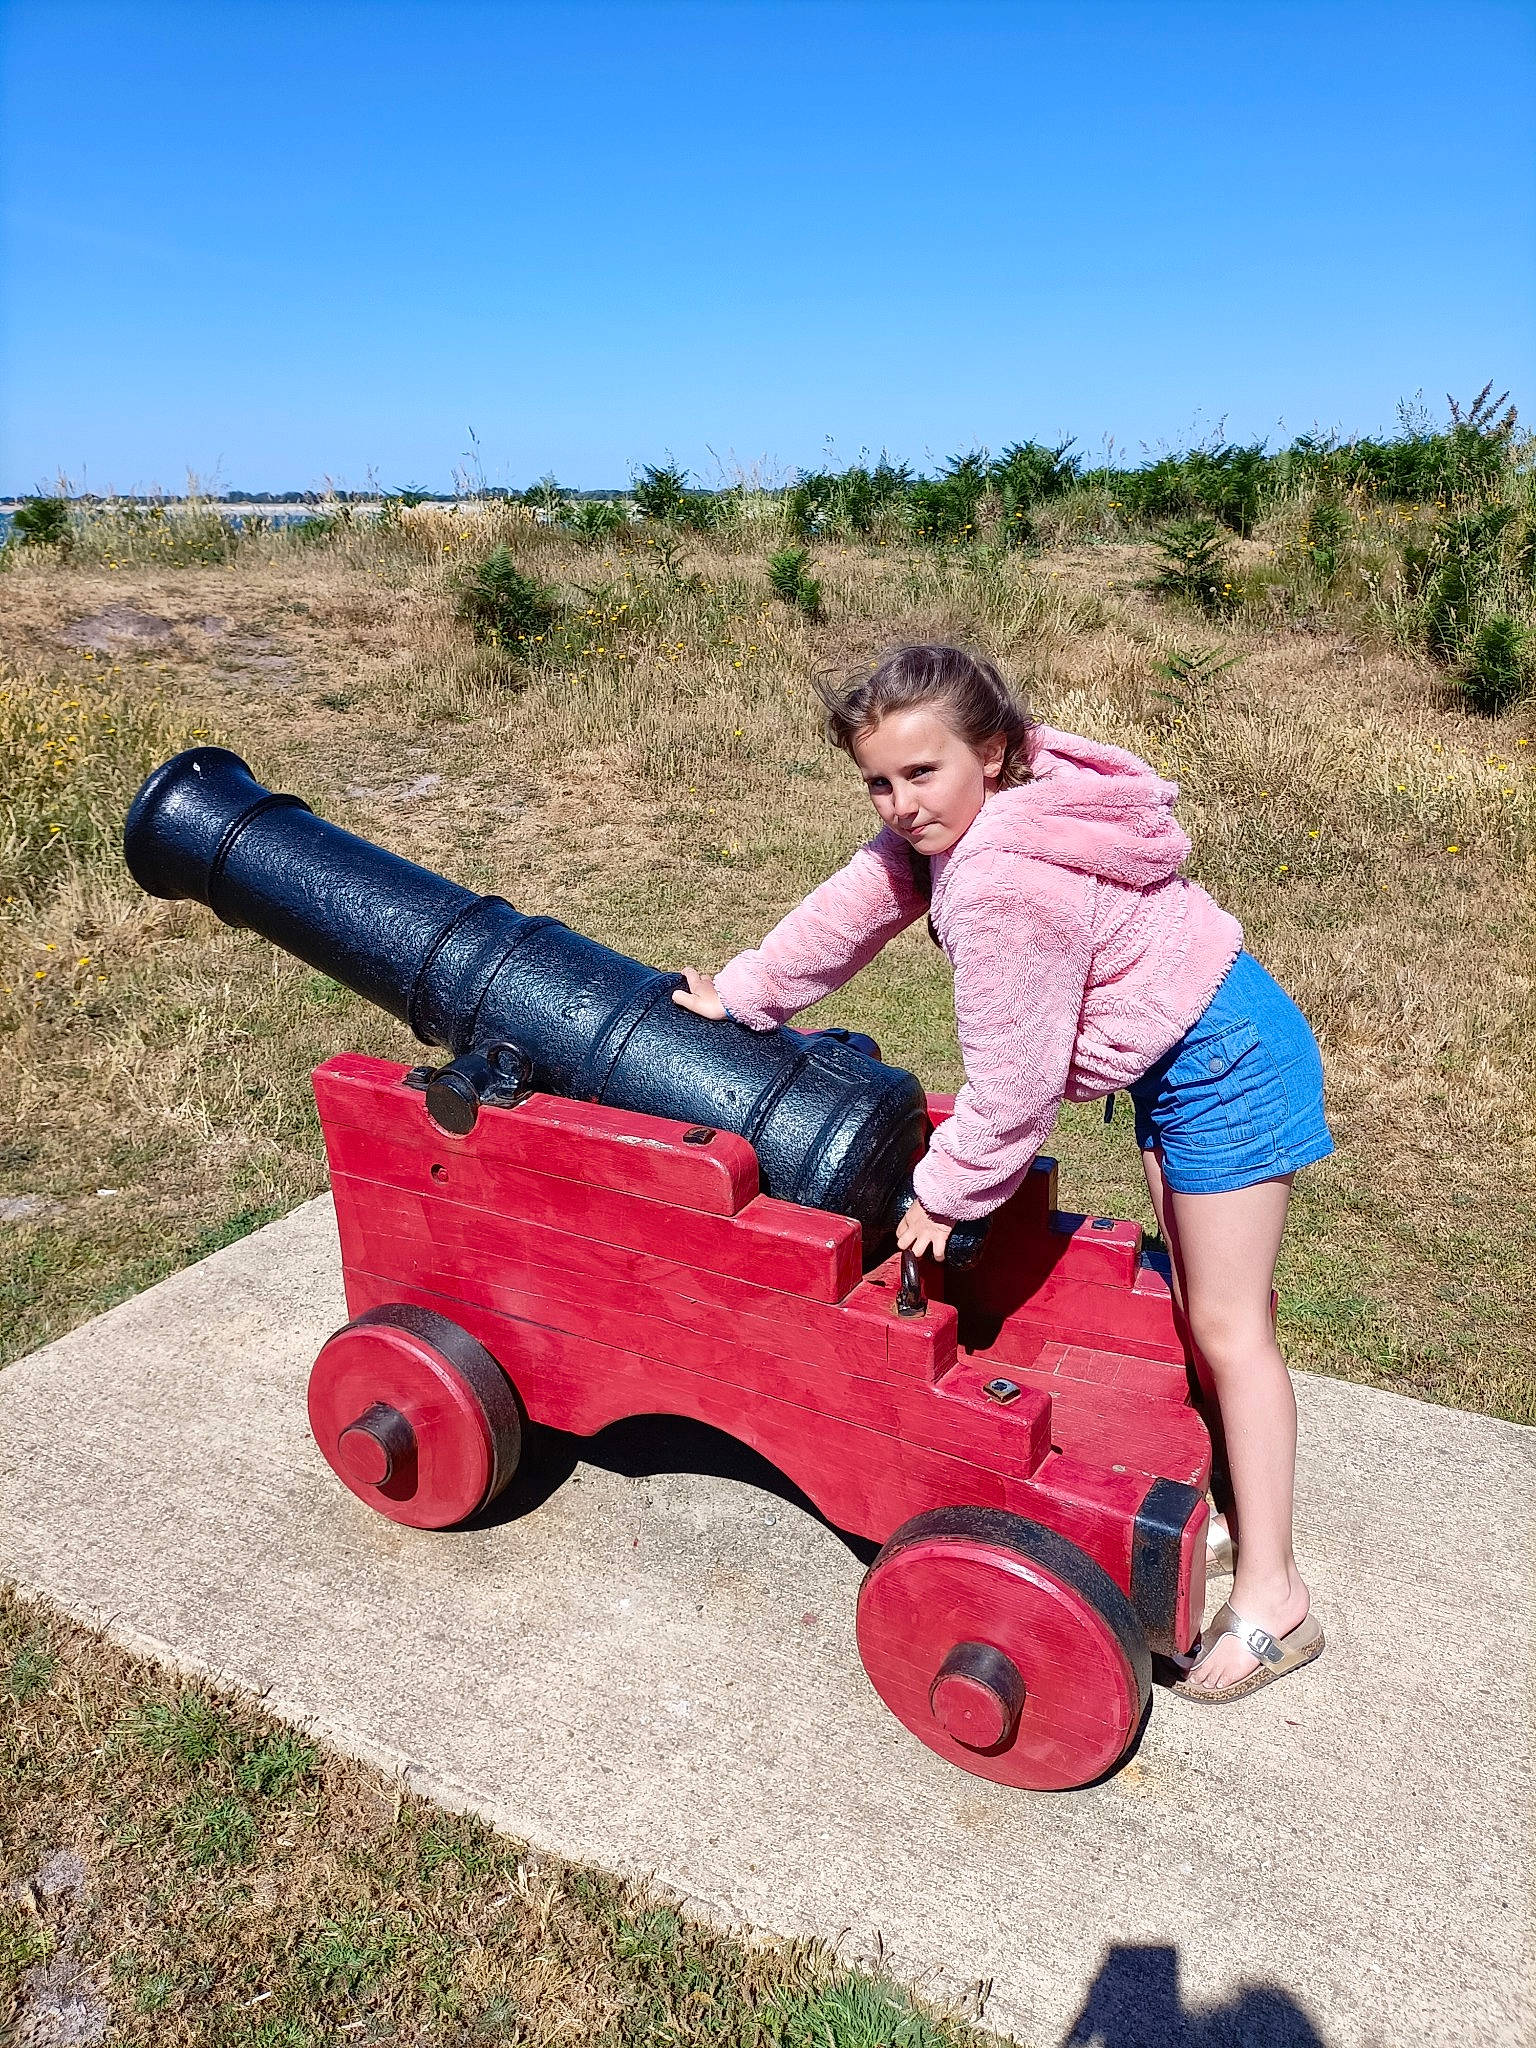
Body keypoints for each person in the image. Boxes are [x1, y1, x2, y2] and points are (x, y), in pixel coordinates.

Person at [671, 643, 1330, 1703]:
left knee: (1229, 1325)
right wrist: (747, 992)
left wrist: (944, 1193)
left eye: (920, 774)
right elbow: (855, 904)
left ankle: (1274, 1593)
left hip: (1225, 1063)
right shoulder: (988, 809)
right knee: (1204, 1308)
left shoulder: (1002, 883)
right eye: (878, 781)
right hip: (1193, 1044)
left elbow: (1014, 1089)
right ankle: (1226, 1511)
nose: (898, 804)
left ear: (991, 751)